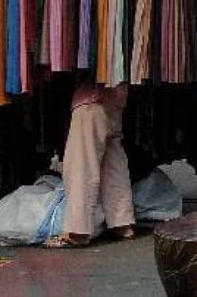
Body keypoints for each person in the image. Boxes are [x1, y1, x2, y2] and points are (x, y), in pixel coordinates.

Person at [46, 83, 135, 248]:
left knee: (82, 165)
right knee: (113, 165)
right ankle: (122, 223)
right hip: (115, 100)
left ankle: (77, 231)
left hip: (90, 100)